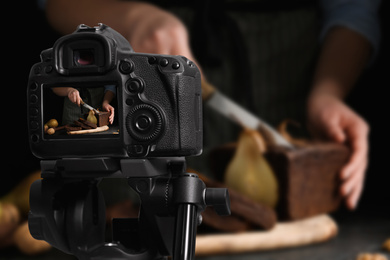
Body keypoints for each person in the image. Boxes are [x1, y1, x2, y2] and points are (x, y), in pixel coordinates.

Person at [41, 0, 381, 211]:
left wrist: (328, 92)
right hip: (146, 64)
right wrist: (132, 19)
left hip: (285, 77)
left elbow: (354, 8)